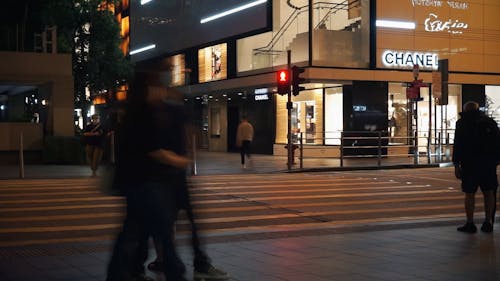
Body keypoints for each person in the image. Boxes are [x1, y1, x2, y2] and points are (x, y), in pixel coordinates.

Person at [105, 72, 226, 281]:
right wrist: (180, 161)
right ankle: (172, 271)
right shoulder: (142, 114)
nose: (162, 91)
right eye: (158, 86)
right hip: (145, 182)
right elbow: (153, 149)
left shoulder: (147, 111)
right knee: (154, 230)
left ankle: (130, 272)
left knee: (139, 230)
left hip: (146, 181)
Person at [453, 101, 499, 233]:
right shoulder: (490, 122)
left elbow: (458, 145)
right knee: (489, 193)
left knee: (469, 194)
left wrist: (457, 164)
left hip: (469, 164)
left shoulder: (462, 123)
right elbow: (497, 142)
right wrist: (495, 161)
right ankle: (488, 221)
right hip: (488, 164)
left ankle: (470, 222)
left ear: (465, 110)